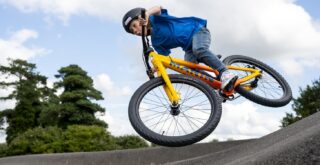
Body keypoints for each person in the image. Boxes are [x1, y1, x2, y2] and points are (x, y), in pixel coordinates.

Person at [122, 6, 237, 90]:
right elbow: (164, 59)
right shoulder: (156, 42)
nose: (136, 31)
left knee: (199, 50)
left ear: (140, 18)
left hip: (197, 30)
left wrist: (147, 14)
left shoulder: (155, 19)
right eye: (133, 32)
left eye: (134, 26)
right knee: (189, 70)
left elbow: (158, 8)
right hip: (188, 48)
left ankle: (225, 72)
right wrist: (154, 69)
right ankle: (217, 83)